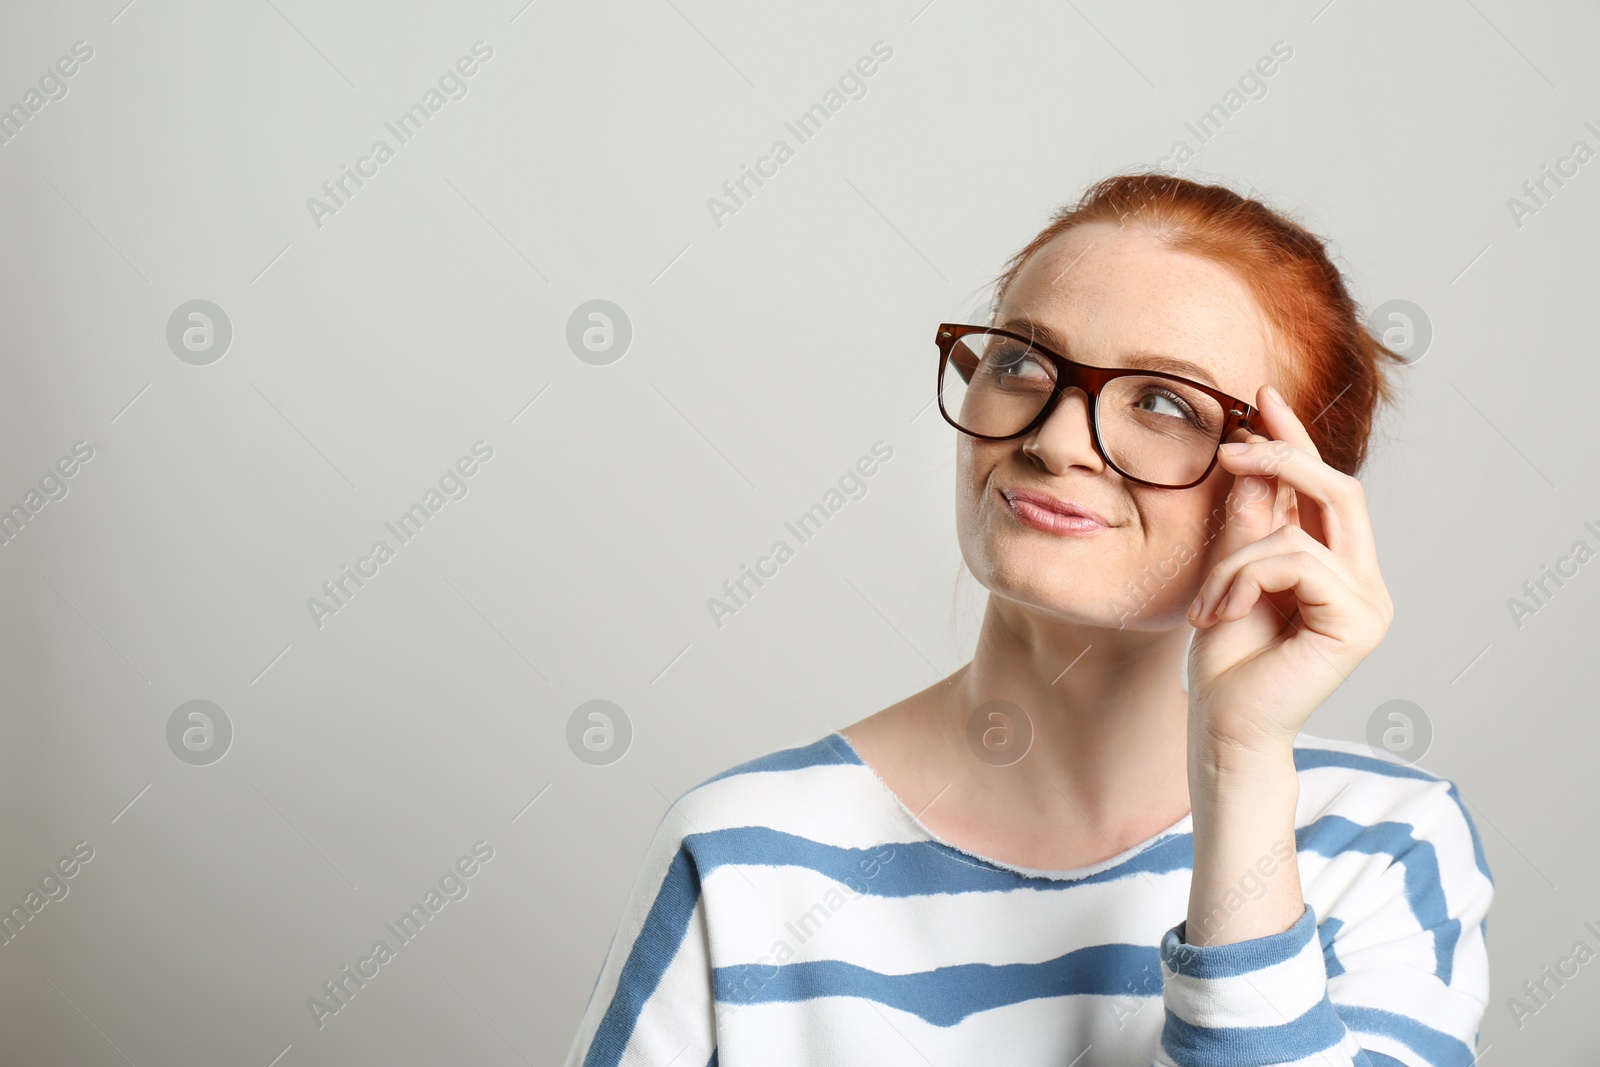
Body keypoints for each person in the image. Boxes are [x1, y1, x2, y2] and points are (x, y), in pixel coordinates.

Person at [562, 173, 1494, 1066]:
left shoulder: (1383, 845)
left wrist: (1239, 761)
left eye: (1165, 402)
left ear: (1288, 494)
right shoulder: (742, 855)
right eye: (1022, 361)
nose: (1052, 440)